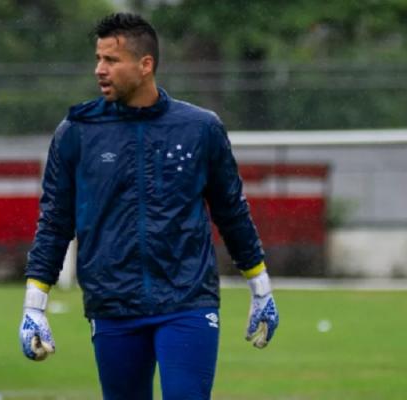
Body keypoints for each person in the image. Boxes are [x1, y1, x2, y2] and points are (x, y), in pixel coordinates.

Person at [18, 12, 279, 400]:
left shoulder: (200, 128)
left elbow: (231, 211)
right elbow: (56, 221)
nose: (99, 70)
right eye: (98, 58)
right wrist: (34, 304)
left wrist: (260, 287)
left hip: (187, 302)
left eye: (111, 60)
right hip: (113, 305)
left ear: (145, 65)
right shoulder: (76, 133)